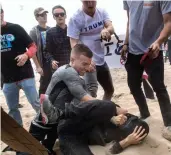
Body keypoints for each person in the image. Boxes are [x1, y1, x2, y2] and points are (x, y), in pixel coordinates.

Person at [40, 44, 148, 155]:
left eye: (88, 64)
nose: (87, 67)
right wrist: (113, 111)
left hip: (75, 128)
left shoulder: (78, 80)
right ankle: (56, 114)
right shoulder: (67, 71)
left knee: (104, 105)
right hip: (64, 123)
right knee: (107, 105)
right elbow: (89, 101)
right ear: (72, 60)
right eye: (84, 64)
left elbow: (90, 98)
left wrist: (126, 141)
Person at [121, 1, 171, 141]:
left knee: (159, 88)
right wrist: (125, 43)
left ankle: (169, 124)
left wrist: (159, 42)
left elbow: (168, 22)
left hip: (152, 50)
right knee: (133, 85)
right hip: (132, 50)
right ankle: (145, 114)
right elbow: (129, 20)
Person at [67, 0, 114, 100]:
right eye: (86, 1)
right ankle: (91, 114)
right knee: (91, 93)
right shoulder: (75, 18)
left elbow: (111, 27)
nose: (90, 3)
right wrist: (85, 61)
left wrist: (106, 30)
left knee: (110, 90)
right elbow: (74, 44)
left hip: (101, 59)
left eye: (92, 1)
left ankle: (102, 111)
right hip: (88, 62)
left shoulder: (102, 12)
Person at [1, 8, 40, 126]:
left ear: (2, 13)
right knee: (13, 109)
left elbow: (33, 47)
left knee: (36, 104)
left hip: (25, 75)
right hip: (7, 80)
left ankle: (48, 127)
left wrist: (26, 55)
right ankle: (21, 138)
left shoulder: (15, 28)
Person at [30, 7, 52, 95]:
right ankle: (42, 106)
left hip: (52, 61)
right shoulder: (34, 31)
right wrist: (38, 66)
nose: (44, 16)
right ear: (36, 18)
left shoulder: (50, 29)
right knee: (44, 86)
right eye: (41, 15)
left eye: (45, 14)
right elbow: (32, 51)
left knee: (55, 84)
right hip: (43, 63)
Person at [44, 5, 70, 73]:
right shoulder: (50, 32)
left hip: (73, 67)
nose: (59, 16)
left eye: (62, 14)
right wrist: (52, 61)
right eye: (56, 15)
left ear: (65, 16)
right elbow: (47, 51)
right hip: (58, 68)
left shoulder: (72, 30)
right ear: (54, 17)